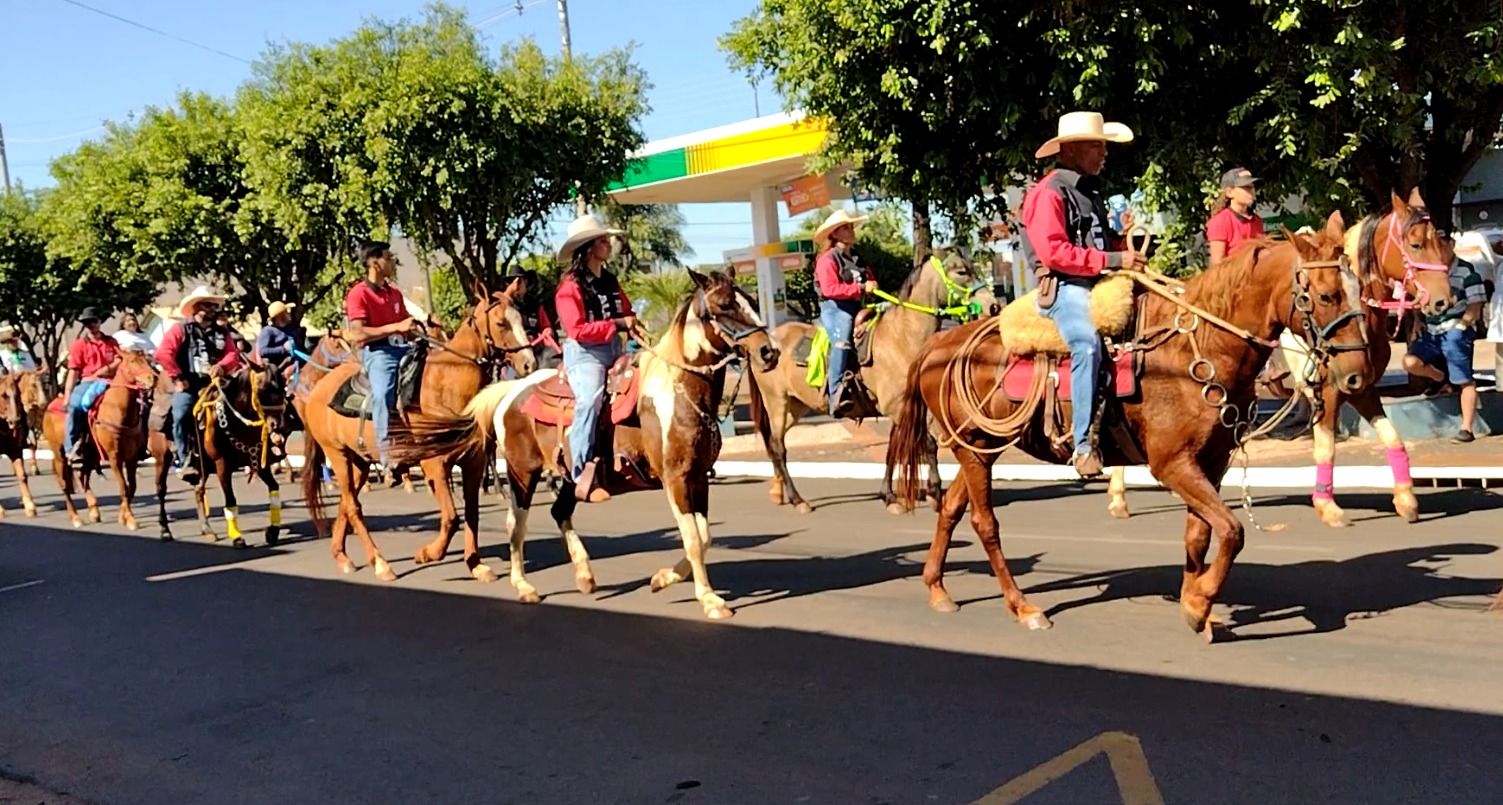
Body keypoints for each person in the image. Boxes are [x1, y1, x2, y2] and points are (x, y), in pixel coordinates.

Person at [1019, 111, 1142, 478]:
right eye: (1096, 146)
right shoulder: (1048, 194)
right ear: (1071, 149)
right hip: (1065, 286)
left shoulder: (1088, 190)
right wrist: (1117, 257)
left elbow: (1097, 245)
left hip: (1098, 280)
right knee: (1086, 344)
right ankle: (1084, 444)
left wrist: (1124, 243)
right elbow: (1055, 252)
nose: (1103, 153)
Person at [554, 213, 632, 502]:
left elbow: (626, 310)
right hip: (585, 354)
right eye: (602, 240)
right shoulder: (569, 287)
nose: (608, 244)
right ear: (588, 248)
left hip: (615, 349)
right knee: (590, 400)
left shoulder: (610, 280)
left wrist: (632, 322)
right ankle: (580, 472)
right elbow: (576, 329)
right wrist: (619, 325)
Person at [155, 286, 242, 483]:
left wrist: (222, 366)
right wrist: (178, 377)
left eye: (213, 305)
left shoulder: (222, 332)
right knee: (181, 414)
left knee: (242, 405)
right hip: (189, 383)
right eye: (207, 305)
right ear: (196, 307)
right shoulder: (179, 329)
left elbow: (232, 355)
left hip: (215, 383)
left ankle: (242, 451)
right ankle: (184, 459)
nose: (212, 309)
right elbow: (163, 354)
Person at [1404, 240, 1487, 443]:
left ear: (1451, 245)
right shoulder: (1426, 271)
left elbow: (1476, 305)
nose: (1438, 250)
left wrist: (1463, 324)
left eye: (1441, 245)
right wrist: (1417, 321)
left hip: (1455, 329)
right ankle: (1439, 377)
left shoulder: (1467, 272)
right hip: (1432, 330)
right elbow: (1415, 297)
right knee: (1410, 362)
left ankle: (1466, 428)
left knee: (1464, 378)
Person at [343, 240, 416, 470]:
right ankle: (385, 452)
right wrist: (395, 328)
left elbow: (406, 324)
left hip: (404, 347)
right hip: (378, 352)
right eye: (388, 257)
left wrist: (422, 326)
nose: (393, 261)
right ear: (374, 262)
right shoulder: (358, 294)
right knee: (383, 392)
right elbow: (357, 333)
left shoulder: (394, 293)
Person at [812, 208, 876, 415]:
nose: (851, 231)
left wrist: (873, 284)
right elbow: (830, 289)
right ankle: (835, 394)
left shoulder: (858, 259)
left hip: (859, 306)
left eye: (851, 227)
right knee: (842, 342)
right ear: (835, 234)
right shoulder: (827, 260)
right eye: (845, 228)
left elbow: (870, 280)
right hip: (836, 309)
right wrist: (861, 288)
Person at [62, 307, 121, 464]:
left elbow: (120, 359)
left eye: (93, 321)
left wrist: (107, 369)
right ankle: (71, 447)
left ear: (100, 322)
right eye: (87, 322)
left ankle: (142, 443)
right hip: (88, 381)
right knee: (74, 407)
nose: (91, 325)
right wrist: (67, 395)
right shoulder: (79, 345)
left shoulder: (111, 342)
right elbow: (74, 371)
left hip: (112, 381)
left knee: (140, 404)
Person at [503, 266, 560, 372]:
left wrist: (547, 330)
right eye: (512, 282)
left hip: (537, 348)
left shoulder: (536, 305)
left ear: (526, 282)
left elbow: (546, 326)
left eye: (520, 281)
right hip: (515, 351)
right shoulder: (505, 307)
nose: (517, 285)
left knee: (554, 362)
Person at [1206, 168, 1265, 267]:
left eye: (1252, 187)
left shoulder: (1257, 221)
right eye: (1246, 187)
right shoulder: (1221, 221)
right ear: (1229, 192)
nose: (1252, 191)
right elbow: (1217, 265)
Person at [255, 301, 302, 370]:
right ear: (280, 316)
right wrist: (283, 349)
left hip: (296, 361)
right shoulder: (268, 331)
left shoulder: (291, 328)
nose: (289, 313)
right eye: (286, 311)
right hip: (278, 366)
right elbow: (263, 351)